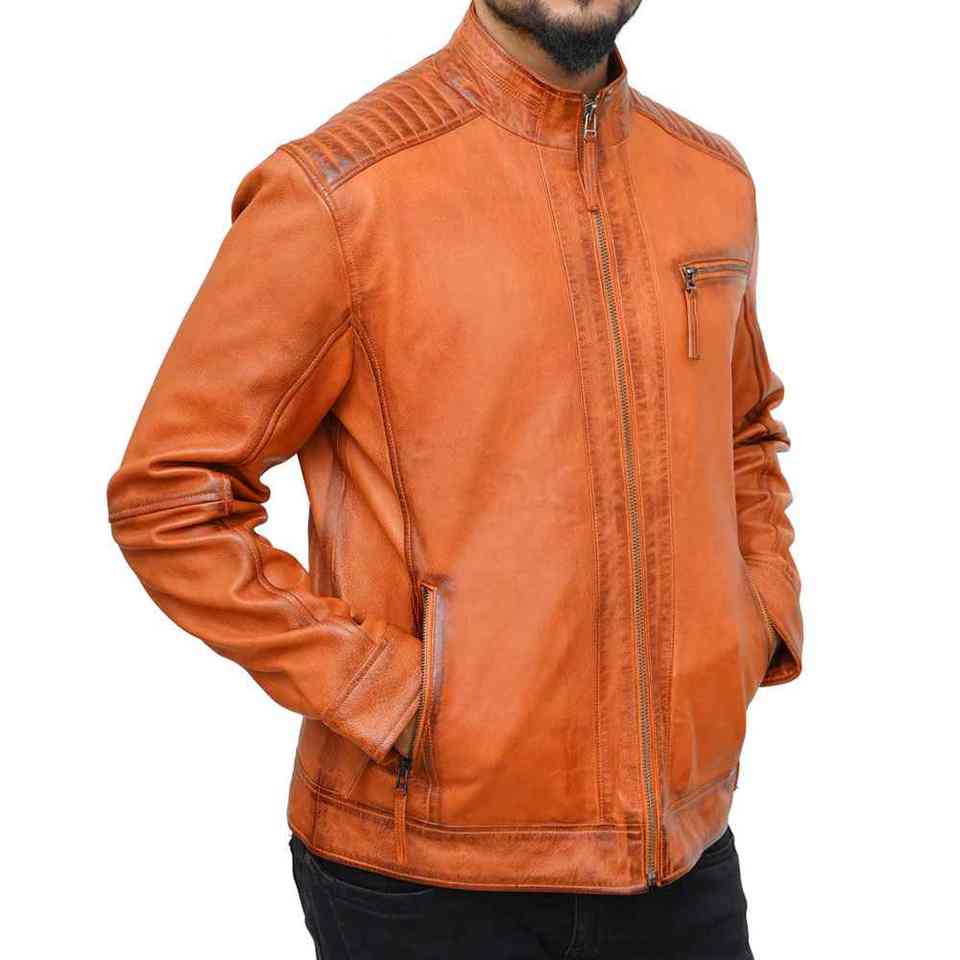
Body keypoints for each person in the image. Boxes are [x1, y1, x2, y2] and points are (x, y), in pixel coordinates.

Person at [107, 1, 802, 956]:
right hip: (423, 875)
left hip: (680, 851)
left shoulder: (711, 179)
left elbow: (745, 431)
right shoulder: (344, 190)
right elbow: (171, 494)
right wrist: (378, 689)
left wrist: (755, 614)